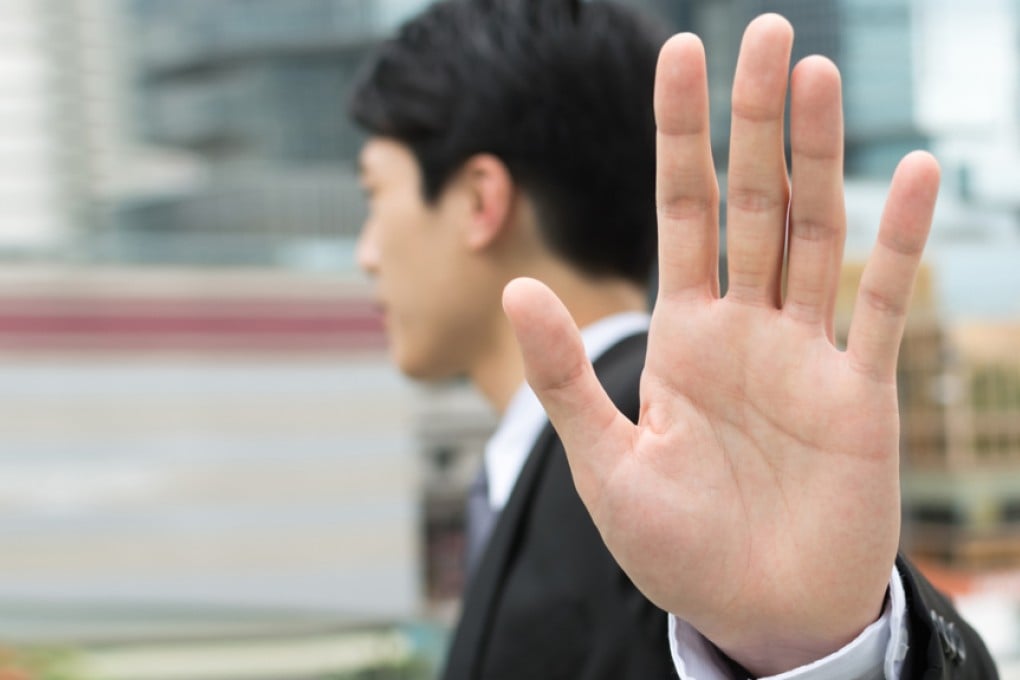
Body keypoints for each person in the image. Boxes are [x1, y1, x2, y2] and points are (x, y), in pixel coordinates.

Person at [350, 1, 997, 678]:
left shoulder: (689, 451)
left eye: (373, 194)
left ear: (481, 200)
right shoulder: (591, 465)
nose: (365, 252)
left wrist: (818, 653)